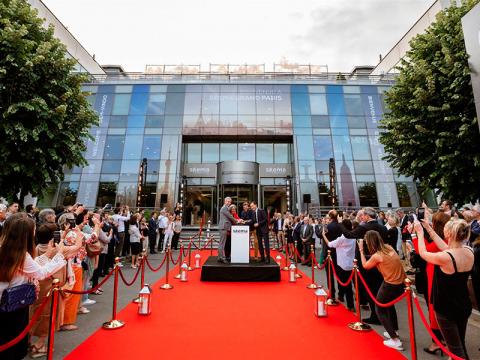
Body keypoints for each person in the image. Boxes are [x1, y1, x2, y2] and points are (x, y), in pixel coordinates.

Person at [0, 213, 69, 360]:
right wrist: (60, 255)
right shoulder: (20, 255)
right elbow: (40, 273)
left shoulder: (8, 250)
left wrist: (47, 255)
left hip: (7, 304)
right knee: (12, 344)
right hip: (14, 306)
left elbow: (31, 267)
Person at [415, 219, 474, 359]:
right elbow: (447, 248)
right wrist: (429, 229)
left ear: (448, 234)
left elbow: (423, 254)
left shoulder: (445, 257)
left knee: (455, 350)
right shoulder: (468, 250)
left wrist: (419, 233)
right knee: (460, 343)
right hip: (463, 304)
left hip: (446, 308)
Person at [359, 230, 406, 351]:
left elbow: (365, 266)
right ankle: (393, 331)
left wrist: (361, 250)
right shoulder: (388, 247)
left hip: (390, 284)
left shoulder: (377, 256)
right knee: (388, 307)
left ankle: (395, 340)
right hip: (400, 283)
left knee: (379, 308)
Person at [339, 207, 387, 325]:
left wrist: (341, 223)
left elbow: (349, 235)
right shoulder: (383, 227)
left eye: (363, 215)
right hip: (381, 259)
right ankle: (381, 313)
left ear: (367, 216)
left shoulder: (364, 227)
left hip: (366, 260)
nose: (362, 217)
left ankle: (375, 315)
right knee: (379, 287)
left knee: (368, 288)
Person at [410, 211, 450, 355]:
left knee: (434, 309)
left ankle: (437, 342)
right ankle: (443, 339)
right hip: (436, 276)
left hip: (435, 277)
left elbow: (424, 250)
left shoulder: (442, 241)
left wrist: (416, 235)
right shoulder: (446, 239)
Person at [322, 219, 356, 311]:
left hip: (342, 263)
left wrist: (324, 235)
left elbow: (330, 244)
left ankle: (349, 304)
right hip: (351, 263)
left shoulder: (342, 238)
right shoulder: (353, 236)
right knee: (348, 284)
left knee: (345, 284)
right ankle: (348, 302)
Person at [218, 197, 239, 263]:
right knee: (222, 243)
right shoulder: (224, 208)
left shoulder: (225, 208)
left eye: (230, 202)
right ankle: (222, 258)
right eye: (228, 201)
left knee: (222, 243)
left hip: (224, 227)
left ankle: (220, 257)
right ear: (225, 201)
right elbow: (230, 216)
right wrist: (237, 221)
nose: (229, 203)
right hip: (224, 227)